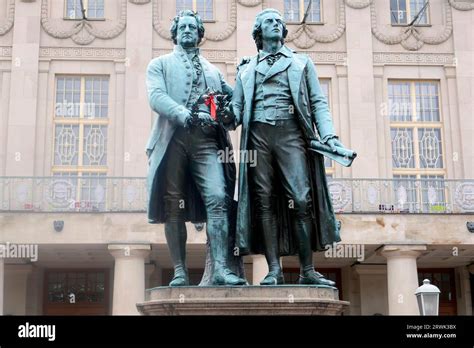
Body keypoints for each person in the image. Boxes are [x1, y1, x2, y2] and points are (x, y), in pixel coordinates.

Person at [231, 9, 343, 286]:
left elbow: (318, 103)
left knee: (301, 199)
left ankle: (307, 270)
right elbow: (235, 112)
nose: (277, 24)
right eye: (270, 21)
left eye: (280, 21)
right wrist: (219, 113)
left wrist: (328, 135)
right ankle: (273, 269)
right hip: (258, 136)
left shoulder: (302, 63)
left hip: (291, 134)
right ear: (258, 32)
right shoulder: (245, 69)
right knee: (264, 201)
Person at [145, 10, 245, 286]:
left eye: (193, 27)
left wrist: (248, 74)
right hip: (172, 140)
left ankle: (222, 270)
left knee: (217, 199)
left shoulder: (213, 71)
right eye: (182, 27)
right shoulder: (160, 64)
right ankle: (179, 270)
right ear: (175, 33)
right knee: (173, 205)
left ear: (200, 34)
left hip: (206, 142)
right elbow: (156, 97)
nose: (187, 30)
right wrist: (185, 114)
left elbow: (235, 99)